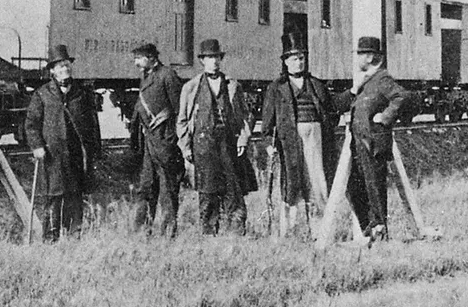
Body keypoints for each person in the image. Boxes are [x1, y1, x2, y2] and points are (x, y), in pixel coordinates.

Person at [260, 37, 339, 236]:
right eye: (294, 59)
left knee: (317, 184)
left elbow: (331, 112)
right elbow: (267, 121)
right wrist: (270, 143)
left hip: (316, 140)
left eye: (302, 58)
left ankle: (319, 231)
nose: (299, 62)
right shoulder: (276, 88)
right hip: (290, 143)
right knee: (291, 187)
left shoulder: (316, 85)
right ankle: (289, 232)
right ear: (285, 62)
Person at [25, 45, 101, 242]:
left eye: (66, 65)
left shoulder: (81, 93)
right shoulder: (42, 94)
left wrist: (93, 150)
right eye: (59, 67)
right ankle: (51, 238)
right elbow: (31, 124)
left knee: (76, 195)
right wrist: (37, 146)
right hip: (53, 155)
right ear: (52, 71)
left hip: (76, 154)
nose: (64, 69)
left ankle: (75, 236)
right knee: (54, 196)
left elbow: (92, 124)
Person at [176, 38, 250, 236]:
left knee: (233, 192)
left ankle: (236, 236)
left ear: (221, 59)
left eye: (216, 57)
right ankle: (209, 235)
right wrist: (186, 148)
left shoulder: (233, 86)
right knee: (207, 194)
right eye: (209, 58)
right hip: (203, 146)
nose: (214, 61)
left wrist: (243, 138)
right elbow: (182, 120)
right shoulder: (191, 88)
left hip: (227, 144)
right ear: (202, 61)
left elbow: (244, 117)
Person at [345, 35, 408, 242]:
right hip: (360, 143)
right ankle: (369, 229)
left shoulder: (382, 79)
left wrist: (385, 117)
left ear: (371, 56)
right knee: (354, 187)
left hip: (373, 143)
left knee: (374, 187)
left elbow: (400, 96)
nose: (358, 58)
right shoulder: (366, 81)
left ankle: (380, 231)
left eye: (361, 54)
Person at [129, 42, 183, 237]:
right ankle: (142, 230)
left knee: (168, 189)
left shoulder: (167, 75)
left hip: (165, 142)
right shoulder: (147, 76)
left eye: (139, 58)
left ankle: (169, 233)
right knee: (145, 187)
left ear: (151, 57)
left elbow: (179, 109)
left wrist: (171, 137)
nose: (136, 62)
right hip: (150, 143)